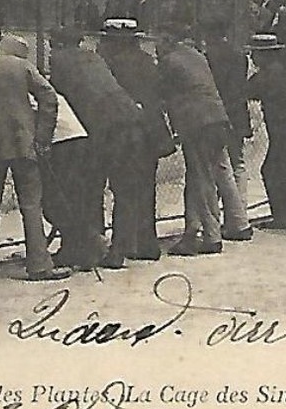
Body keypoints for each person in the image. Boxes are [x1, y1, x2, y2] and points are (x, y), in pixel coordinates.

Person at [0, 26, 73, 283]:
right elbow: (49, 97)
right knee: (31, 204)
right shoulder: (20, 65)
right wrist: (42, 136)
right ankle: (39, 264)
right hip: (25, 143)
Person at [0, 33, 105, 272]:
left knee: (57, 201)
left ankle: (90, 243)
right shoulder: (28, 76)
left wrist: (41, 141)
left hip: (64, 141)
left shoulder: (19, 79)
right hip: (74, 137)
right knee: (66, 198)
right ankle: (78, 247)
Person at [48, 25, 147, 269]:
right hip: (130, 119)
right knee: (124, 190)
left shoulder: (59, 60)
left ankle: (86, 247)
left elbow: (59, 96)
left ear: (57, 43)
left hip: (102, 128)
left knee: (89, 188)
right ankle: (118, 250)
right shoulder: (94, 57)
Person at [96, 17, 173, 261]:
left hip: (125, 132)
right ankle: (147, 243)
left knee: (123, 189)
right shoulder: (148, 61)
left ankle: (120, 248)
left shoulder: (110, 64)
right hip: (151, 131)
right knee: (144, 186)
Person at [155, 27, 233, 255]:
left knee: (201, 178)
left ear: (166, 43)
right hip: (217, 119)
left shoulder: (169, 61)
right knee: (202, 176)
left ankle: (211, 236)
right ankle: (194, 230)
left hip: (197, 124)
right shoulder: (196, 55)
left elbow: (159, 91)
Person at [202, 17, 256, 241]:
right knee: (239, 164)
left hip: (219, 112)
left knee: (219, 166)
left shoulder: (209, 58)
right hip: (238, 112)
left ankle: (229, 217)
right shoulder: (239, 55)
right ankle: (240, 214)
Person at [247, 33, 286, 228]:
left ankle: (283, 216)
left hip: (283, 125)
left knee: (274, 170)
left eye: (255, 53)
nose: (253, 57)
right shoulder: (276, 70)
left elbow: (249, 89)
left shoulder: (269, 73)